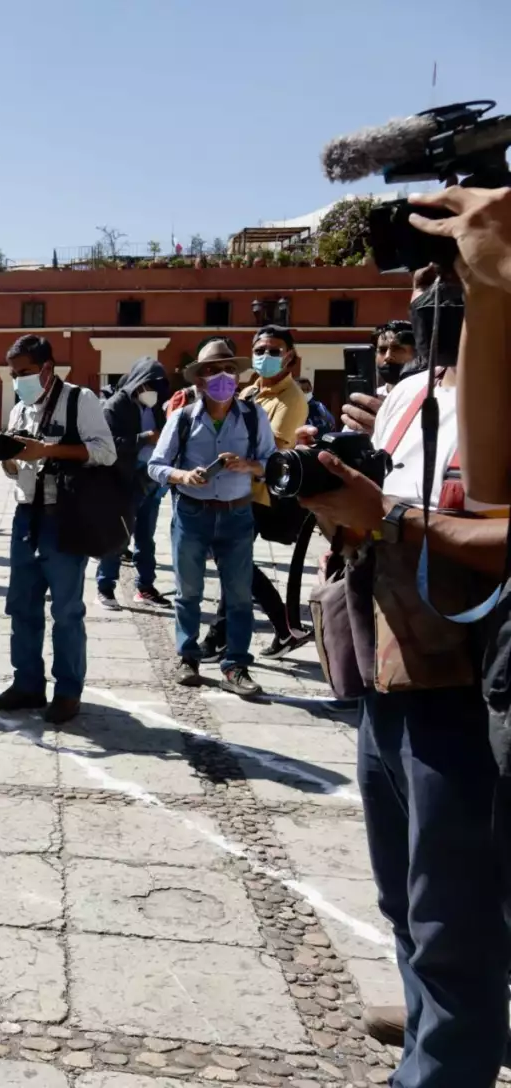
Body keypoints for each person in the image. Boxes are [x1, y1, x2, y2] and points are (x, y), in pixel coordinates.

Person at [294, 311, 510, 1087]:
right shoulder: (408, 394)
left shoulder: (497, 387)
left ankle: (446, 1058)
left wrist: (387, 515)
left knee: (454, 915)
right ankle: (432, 1029)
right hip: (389, 668)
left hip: (467, 685)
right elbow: (371, 522)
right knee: (402, 895)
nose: (425, 289)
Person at [0, 335, 116, 724]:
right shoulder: (21, 408)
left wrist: (47, 450)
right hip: (26, 515)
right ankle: (27, 683)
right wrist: (11, 461)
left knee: (66, 610)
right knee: (21, 606)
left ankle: (67, 692)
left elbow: (105, 452)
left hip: (65, 516)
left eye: (25, 372)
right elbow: (18, 464)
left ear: (47, 368)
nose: (18, 381)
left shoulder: (80, 400)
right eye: (14, 374)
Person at [148, 338, 277, 697]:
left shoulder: (254, 416)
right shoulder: (183, 418)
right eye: (211, 371)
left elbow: (271, 463)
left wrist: (249, 465)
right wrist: (183, 476)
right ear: (199, 381)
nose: (222, 376)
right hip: (192, 513)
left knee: (237, 596)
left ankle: (235, 665)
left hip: (237, 515)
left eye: (228, 370)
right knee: (188, 591)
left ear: (237, 377)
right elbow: (156, 465)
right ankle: (187, 657)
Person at [200, 326, 313, 661]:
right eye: (260, 349)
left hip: (255, 494)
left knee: (233, 562)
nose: (265, 356)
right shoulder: (250, 391)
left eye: (275, 350)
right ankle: (284, 629)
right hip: (228, 489)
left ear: (290, 355)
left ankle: (221, 636)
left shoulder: (290, 398)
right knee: (234, 563)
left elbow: (273, 448)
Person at [95, 355, 171, 609]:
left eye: (156, 387)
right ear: (138, 382)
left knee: (146, 538)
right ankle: (105, 587)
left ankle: (146, 587)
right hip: (123, 481)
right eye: (149, 385)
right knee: (118, 536)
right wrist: (144, 438)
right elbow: (109, 445)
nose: (152, 392)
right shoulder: (115, 406)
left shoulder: (155, 407)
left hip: (151, 481)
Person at [375, 319, 418, 395]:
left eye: (397, 349)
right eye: (383, 350)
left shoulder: (427, 397)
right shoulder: (373, 396)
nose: (388, 357)